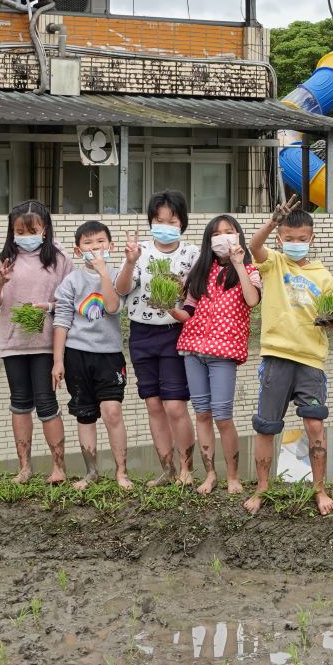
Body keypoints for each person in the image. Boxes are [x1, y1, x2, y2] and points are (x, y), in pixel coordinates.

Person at [245, 201, 333, 516]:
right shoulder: (273, 262)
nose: (295, 244)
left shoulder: (324, 276)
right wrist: (273, 221)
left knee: (315, 424)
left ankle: (319, 488)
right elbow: (253, 245)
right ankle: (262, 487)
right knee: (266, 425)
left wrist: (332, 321)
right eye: (289, 238)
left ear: (311, 238)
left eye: (302, 238)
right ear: (280, 239)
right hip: (277, 356)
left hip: (311, 360)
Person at [0, 200, 73, 485]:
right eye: (19, 230)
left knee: (47, 402)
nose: (25, 235)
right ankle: (24, 467)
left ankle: (58, 467)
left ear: (44, 229)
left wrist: (47, 306)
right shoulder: (4, 259)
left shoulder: (59, 259)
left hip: (46, 342)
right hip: (13, 342)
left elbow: (70, 301)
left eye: (31, 229)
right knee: (19, 403)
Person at [172, 215, 261, 496]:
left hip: (224, 353)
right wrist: (167, 308)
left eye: (229, 232)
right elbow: (187, 312)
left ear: (238, 236)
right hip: (192, 350)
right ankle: (210, 474)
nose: (223, 237)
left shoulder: (248, 270)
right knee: (202, 414)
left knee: (223, 417)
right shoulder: (199, 271)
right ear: (209, 239)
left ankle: (233, 476)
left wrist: (238, 262)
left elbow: (252, 300)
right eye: (217, 233)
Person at [116, 190, 200, 485]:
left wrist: (179, 286)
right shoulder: (139, 251)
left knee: (175, 405)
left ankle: (187, 469)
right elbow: (123, 290)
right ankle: (168, 469)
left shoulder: (191, 254)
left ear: (182, 222)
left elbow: (198, 295)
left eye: (171, 219)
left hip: (175, 333)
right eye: (158, 219)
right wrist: (129, 262)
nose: (164, 225)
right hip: (141, 334)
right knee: (153, 404)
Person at [50, 220, 132, 491]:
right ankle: (92, 471)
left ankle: (121, 471)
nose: (95, 247)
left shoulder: (119, 275)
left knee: (112, 411)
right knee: (84, 414)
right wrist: (58, 361)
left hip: (108, 356)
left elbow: (111, 307)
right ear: (77, 250)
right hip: (77, 355)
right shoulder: (71, 281)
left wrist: (104, 274)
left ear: (111, 246)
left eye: (100, 242)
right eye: (88, 243)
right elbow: (61, 321)